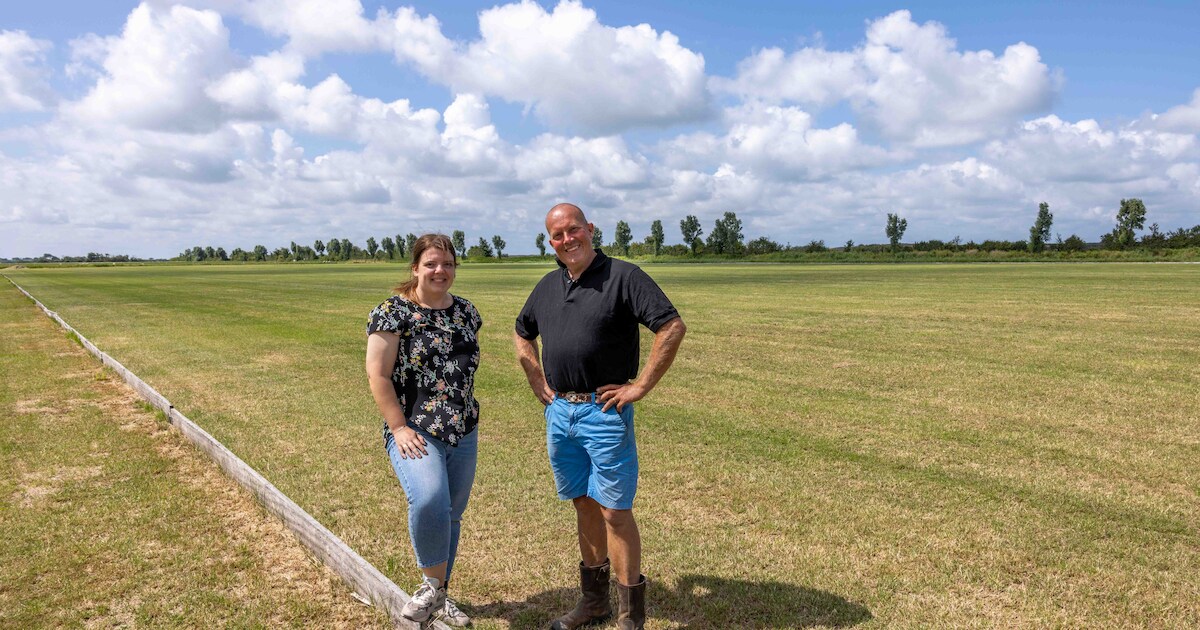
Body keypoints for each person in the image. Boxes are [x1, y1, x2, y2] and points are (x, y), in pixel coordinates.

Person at [514, 203, 686, 630]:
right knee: (584, 504)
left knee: (614, 511)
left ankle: (630, 617)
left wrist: (639, 386)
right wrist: (536, 377)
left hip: (604, 412)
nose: (567, 240)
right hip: (561, 414)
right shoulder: (548, 285)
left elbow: (671, 326)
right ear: (550, 242)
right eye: (558, 235)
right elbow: (522, 332)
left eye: (574, 230)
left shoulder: (624, 277)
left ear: (590, 229)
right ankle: (594, 604)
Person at [365, 233, 482, 627]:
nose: (440, 270)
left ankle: (440, 595)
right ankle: (431, 589)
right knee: (430, 498)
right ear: (415, 268)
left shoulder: (466, 312)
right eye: (431, 263)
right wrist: (398, 427)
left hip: (463, 429)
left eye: (447, 264)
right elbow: (378, 375)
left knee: (451, 515)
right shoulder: (392, 312)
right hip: (416, 429)